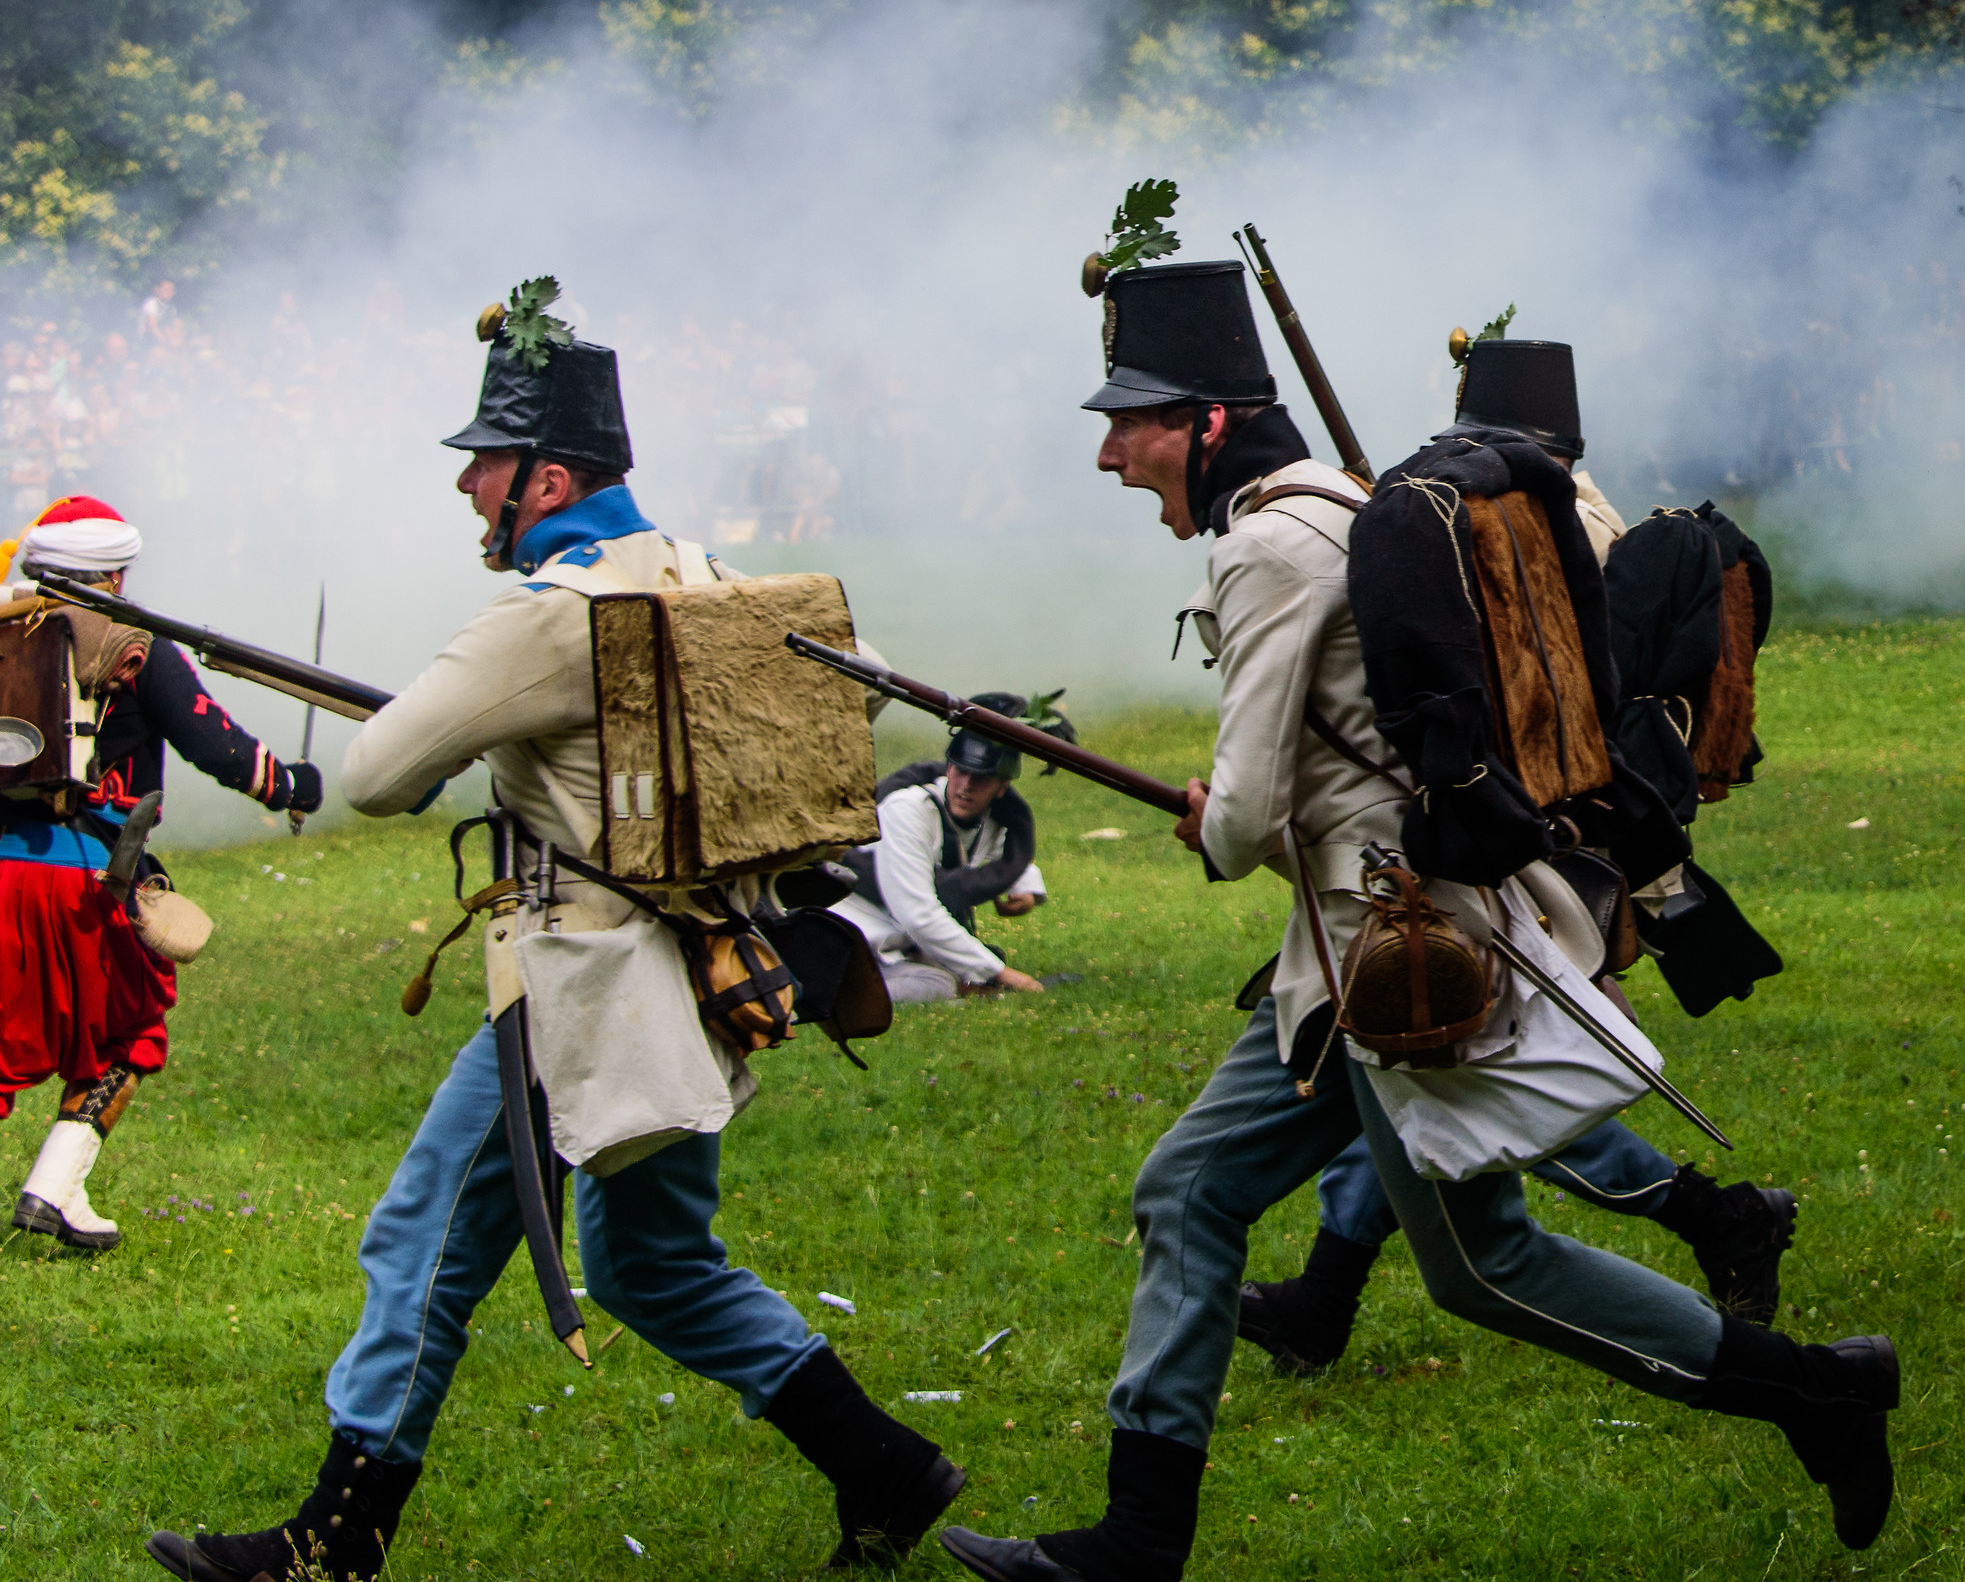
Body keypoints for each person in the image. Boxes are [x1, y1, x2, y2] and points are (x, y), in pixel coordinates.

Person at [937, 253, 1897, 1582]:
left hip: (1397, 958)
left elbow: (1245, 815)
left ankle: (1814, 1393)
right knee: (1189, 1189)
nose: (1110, 453)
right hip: (1349, 956)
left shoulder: (1269, 546)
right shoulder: (1336, 504)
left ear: (1208, 420)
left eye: (1131, 419)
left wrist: (1210, 815)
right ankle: (1139, 1542)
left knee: (1483, 1271)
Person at [144, 287, 964, 1582]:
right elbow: (845, 698)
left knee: (419, 1242)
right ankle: (886, 1469)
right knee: (653, 1267)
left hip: (582, 992)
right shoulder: (703, 575)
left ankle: (333, 1542)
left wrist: (482, 717)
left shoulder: (552, 611)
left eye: (489, 462)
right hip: (697, 975)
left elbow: (375, 778)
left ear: (551, 474)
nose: (470, 485)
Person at [1238, 334, 1795, 1374]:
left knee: (1487, 1072)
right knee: (1402, 1072)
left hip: (1534, 845)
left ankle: (1717, 1217)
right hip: (1496, 834)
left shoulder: (1555, 523)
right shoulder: (1532, 509)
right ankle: (1324, 1294)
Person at [0, 496, 322, 1255]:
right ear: (109, 575)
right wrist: (293, 785)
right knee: (130, 1034)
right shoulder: (139, 646)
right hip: (84, 884)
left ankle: (63, 1196)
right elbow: (222, 750)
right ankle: (53, 1182)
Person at [838, 697, 1061, 1001]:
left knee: (959, 971)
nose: (965, 786)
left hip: (902, 942)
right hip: (857, 940)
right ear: (949, 768)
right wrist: (1000, 973)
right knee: (939, 985)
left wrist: (1025, 886)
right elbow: (918, 914)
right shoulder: (908, 810)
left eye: (981, 778)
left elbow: (997, 848)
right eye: (960, 771)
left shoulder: (991, 818)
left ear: (1002, 786)